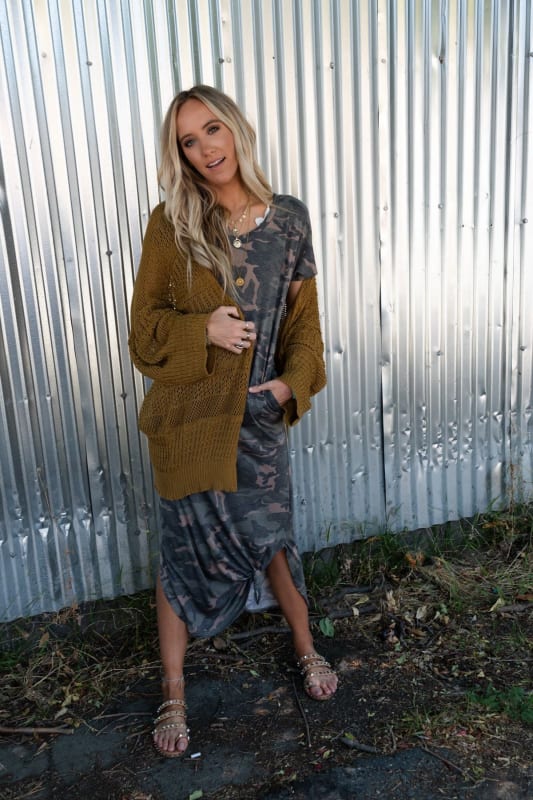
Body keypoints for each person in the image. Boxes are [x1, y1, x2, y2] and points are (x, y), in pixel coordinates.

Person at [128, 84, 338, 758]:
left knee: (272, 537)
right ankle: (173, 689)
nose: (204, 149)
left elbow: (303, 324)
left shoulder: (289, 220)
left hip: (256, 419)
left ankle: (305, 646)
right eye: (188, 141)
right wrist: (203, 329)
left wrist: (290, 384)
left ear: (236, 129)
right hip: (189, 421)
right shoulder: (172, 224)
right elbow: (143, 332)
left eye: (211, 130)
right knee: (181, 552)